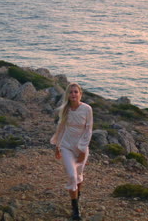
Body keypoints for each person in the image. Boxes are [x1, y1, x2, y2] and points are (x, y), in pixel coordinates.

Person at [50, 82, 93, 221]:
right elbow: (61, 128)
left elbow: (88, 130)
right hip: (67, 146)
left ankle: (76, 197)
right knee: (71, 175)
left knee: (79, 175)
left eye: (76, 92)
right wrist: (57, 146)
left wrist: (82, 150)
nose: (73, 94)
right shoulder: (64, 109)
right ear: (67, 95)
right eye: (70, 92)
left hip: (81, 148)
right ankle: (75, 210)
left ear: (80, 94)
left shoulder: (87, 109)